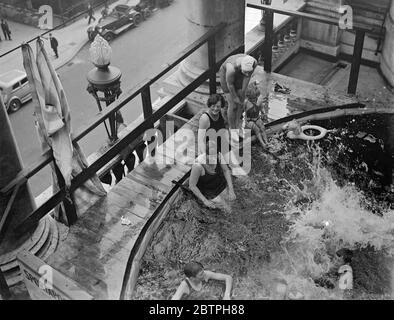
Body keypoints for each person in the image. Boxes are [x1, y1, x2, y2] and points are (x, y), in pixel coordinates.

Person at [189, 141, 236, 210]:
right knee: (228, 209)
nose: (213, 160)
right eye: (211, 157)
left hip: (219, 184)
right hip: (208, 191)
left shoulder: (219, 156)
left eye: (214, 157)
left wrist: (231, 189)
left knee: (232, 200)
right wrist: (205, 200)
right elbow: (192, 186)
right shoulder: (198, 166)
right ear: (206, 155)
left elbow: (226, 170)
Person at [219, 54, 257, 132]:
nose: (247, 74)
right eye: (245, 72)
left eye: (249, 72)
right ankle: (232, 128)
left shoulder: (254, 62)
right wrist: (235, 97)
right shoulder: (231, 69)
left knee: (241, 102)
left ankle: (237, 123)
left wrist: (243, 92)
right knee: (233, 105)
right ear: (240, 66)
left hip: (240, 73)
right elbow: (230, 85)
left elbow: (247, 76)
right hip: (226, 77)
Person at [243, 82, 269, 148]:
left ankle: (266, 142)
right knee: (257, 129)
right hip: (249, 121)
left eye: (254, 98)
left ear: (257, 96)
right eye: (251, 99)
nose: (253, 100)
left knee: (262, 127)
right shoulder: (246, 103)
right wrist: (243, 122)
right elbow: (241, 113)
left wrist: (263, 114)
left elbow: (261, 108)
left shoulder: (259, 101)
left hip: (256, 118)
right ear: (248, 97)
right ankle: (262, 143)